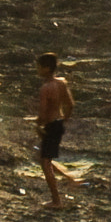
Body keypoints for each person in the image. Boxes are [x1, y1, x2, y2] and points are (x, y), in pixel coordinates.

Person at [34, 51, 76, 207]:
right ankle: (70, 179)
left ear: (46, 68)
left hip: (50, 125)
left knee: (45, 163)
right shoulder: (61, 83)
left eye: (38, 67)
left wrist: (38, 125)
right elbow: (70, 104)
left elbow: (43, 112)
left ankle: (56, 200)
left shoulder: (46, 88)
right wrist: (64, 119)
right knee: (46, 157)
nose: (37, 70)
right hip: (58, 124)